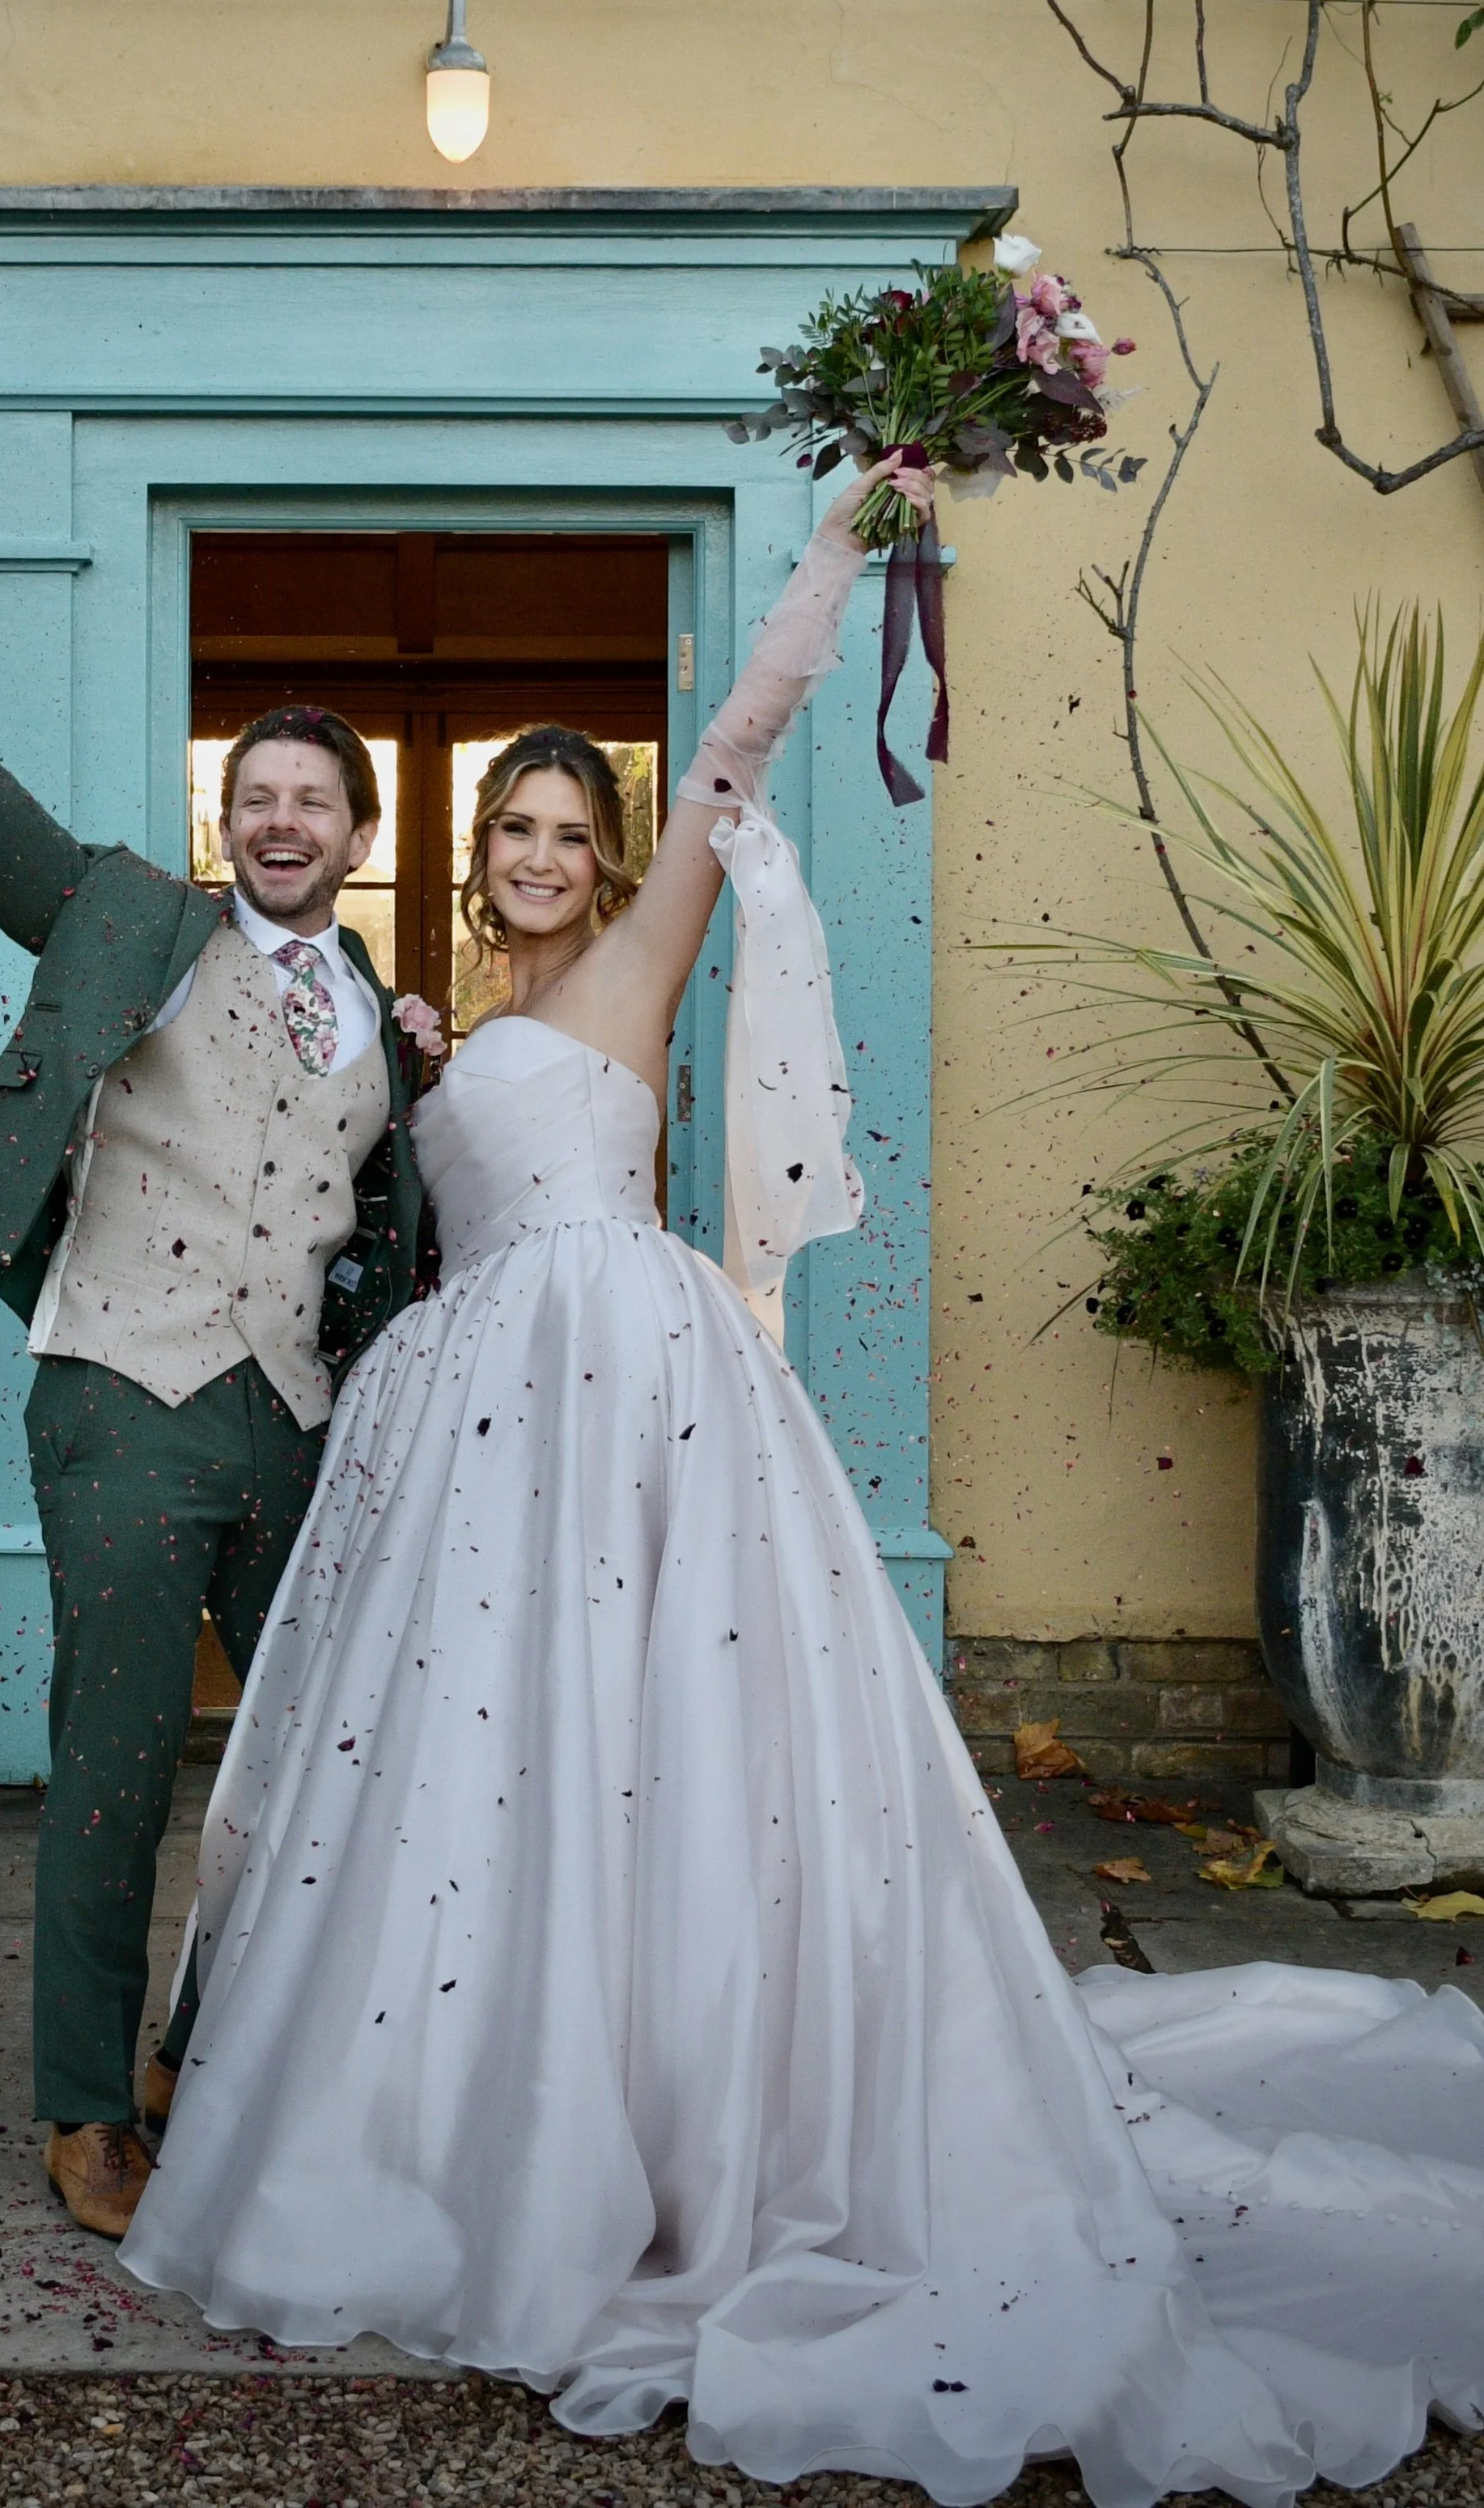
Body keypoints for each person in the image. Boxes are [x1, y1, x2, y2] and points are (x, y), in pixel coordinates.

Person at [122, 467, 1484, 2503]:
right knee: (490, 1770)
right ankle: (472, 2100)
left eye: (566, 833)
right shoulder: (463, 1019)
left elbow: (743, 734)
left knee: (642, 1743)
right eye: (510, 831)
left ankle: (653, 2127)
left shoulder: (636, 958)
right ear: (475, 859)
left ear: (606, 861)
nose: (536, 857)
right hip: (473, 1404)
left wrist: (843, 546)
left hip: (608, 1373)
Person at [0, 441, 433, 2241]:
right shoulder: (131, 916)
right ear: (226, 820)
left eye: (316, 803)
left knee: (310, 1765)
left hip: (294, 1418)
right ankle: (84, 2107)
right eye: (256, 797)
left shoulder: (379, 1009)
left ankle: (203, 2055)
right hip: (120, 1394)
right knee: (115, 1770)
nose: (283, 822)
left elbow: (393, 1212)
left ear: (360, 838)